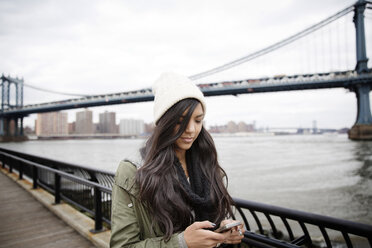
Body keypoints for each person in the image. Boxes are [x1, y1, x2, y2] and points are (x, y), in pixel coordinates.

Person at [110, 72, 245, 248]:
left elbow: (201, 227)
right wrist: (181, 243)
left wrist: (220, 232)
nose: (190, 129)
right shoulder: (134, 170)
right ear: (164, 123)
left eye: (198, 120)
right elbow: (122, 245)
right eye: (180, 121)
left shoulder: (207, 163)